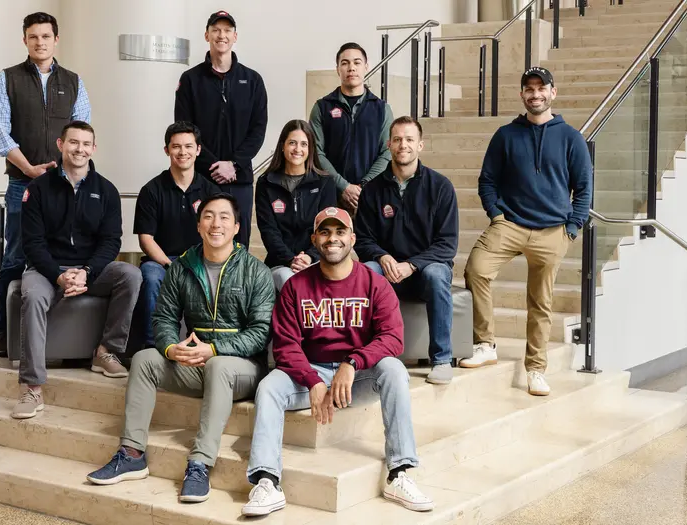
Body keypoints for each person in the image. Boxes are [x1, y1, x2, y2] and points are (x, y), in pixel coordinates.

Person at [242, 207, 434, 516]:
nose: (333, 239)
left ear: (352, 238)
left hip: (357, 376)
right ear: (314, 239)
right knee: (268, 387)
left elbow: (393, 339)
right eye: (326, 232)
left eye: (340, 232)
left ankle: (399, 473)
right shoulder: (296, 285)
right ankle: (266, 481)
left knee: (395, 370)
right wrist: (312, 380)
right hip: (311, 373)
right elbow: (286, 345)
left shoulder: (374, 284)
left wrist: (353, 362)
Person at [86, 193, 275, 504]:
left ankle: (200, 464)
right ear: (199, 225)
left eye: (224, 217)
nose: (216, 223)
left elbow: (260, 334)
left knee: (219, 365)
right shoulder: (181, 267)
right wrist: (172, 348)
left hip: (242, 368)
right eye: (209, 216)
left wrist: (213, 350)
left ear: (237, 226)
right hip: (196, 364)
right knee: (146, 359)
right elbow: (163, 319)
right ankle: (132, 453)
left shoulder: (256, 271)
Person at [460, 67, 591, 397]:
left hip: (552, 230)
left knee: (540, 302)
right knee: (476, 270)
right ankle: (485, 344)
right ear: (522, 95)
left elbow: (585, 188)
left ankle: (535, 369)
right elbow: (487, 180)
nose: (535, 94)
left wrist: (571, 229)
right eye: (529, 89)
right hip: (510, 225)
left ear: (553, 92)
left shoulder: (571, 138)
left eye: (541, 88)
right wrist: (496, 214)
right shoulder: (506, 135)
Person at [10, 121, 141, 420]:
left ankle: (105, 351)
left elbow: (111, 241)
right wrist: (58, 274)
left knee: (131, 275)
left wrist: (86, 271)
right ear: (61, 144)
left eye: (85, 144)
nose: (79, 149)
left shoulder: (106, 190)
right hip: (46, 270)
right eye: (73, 142)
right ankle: (32, 387)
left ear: (93, 149)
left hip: (88, 270)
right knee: (31, 296)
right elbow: (32, 243)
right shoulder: (38, 188)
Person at [0, 11, 92, 358]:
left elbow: (82, 130)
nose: (40, 42)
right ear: (25, 40)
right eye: (33, 37)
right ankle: (3, 331)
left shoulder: (74, 81)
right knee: (15, 257)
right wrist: (30, 169)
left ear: (55, 39)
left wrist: (66, 167)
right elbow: (2, 133)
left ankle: (54, 332)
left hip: (66, 186)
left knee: (60, 251)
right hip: (23, 183)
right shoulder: (7, 79)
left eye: (46, 36)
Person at [354, 116, 459, 385]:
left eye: (409, 139)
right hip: (388, 270)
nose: (403, 145)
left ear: (420, 145)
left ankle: (442, 359)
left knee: (437, 274)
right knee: (367, 271)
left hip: (425, 271)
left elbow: (447, 244)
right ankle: (366, 356)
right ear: (389, 144)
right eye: (398, 139)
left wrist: (411, 264)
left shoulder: (441, 187)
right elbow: (363, 238)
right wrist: (383, 256)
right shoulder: (373, 190)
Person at [174, 10, 268, 248]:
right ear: (207, 35)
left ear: (235, 36)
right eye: (216, 30)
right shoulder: (190, 79)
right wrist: (214, 165)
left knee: (239, 243)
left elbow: (258, 130)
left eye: (227, 30)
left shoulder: (253, 80)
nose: (221, 35)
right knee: (202, 241)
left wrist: (233, 164)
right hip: (202, 177)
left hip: (240, 179)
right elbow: (185, 130)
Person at [133, 122, 219, 349]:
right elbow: (146, 239)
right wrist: (170, 265)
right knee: (150, 276)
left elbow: (217, 235)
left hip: (200, 260)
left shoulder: (211, 192)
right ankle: (154, 347)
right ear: (167, 150)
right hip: (162, 262)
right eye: (176, 147)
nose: (183, 152)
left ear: (198, 150)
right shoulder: (151, 190)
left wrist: (195, 263)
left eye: (189, 146)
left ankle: (204, 345)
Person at [310, 42, 393, 213]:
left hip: (370, 194)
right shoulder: (322, 107)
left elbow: (387, 152)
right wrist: (344, 186)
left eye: (357, 62)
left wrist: (363, 186)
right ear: (338, 69)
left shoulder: (382, 109)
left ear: (366, 67)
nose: (351, 68)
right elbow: (316, 152)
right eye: (345, 63)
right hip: (330, 194)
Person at [254, 120, 336, 291]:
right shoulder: (266, 183)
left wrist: (309, 257)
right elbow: (269, 231)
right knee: (289, 280)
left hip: (317, 261)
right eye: (292, 143)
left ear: (310, 149)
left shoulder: (325, 183)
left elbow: (327, 228)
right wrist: (291, 260)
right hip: (281, 264)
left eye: (304, 144)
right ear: (282, 146)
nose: (298, 149)